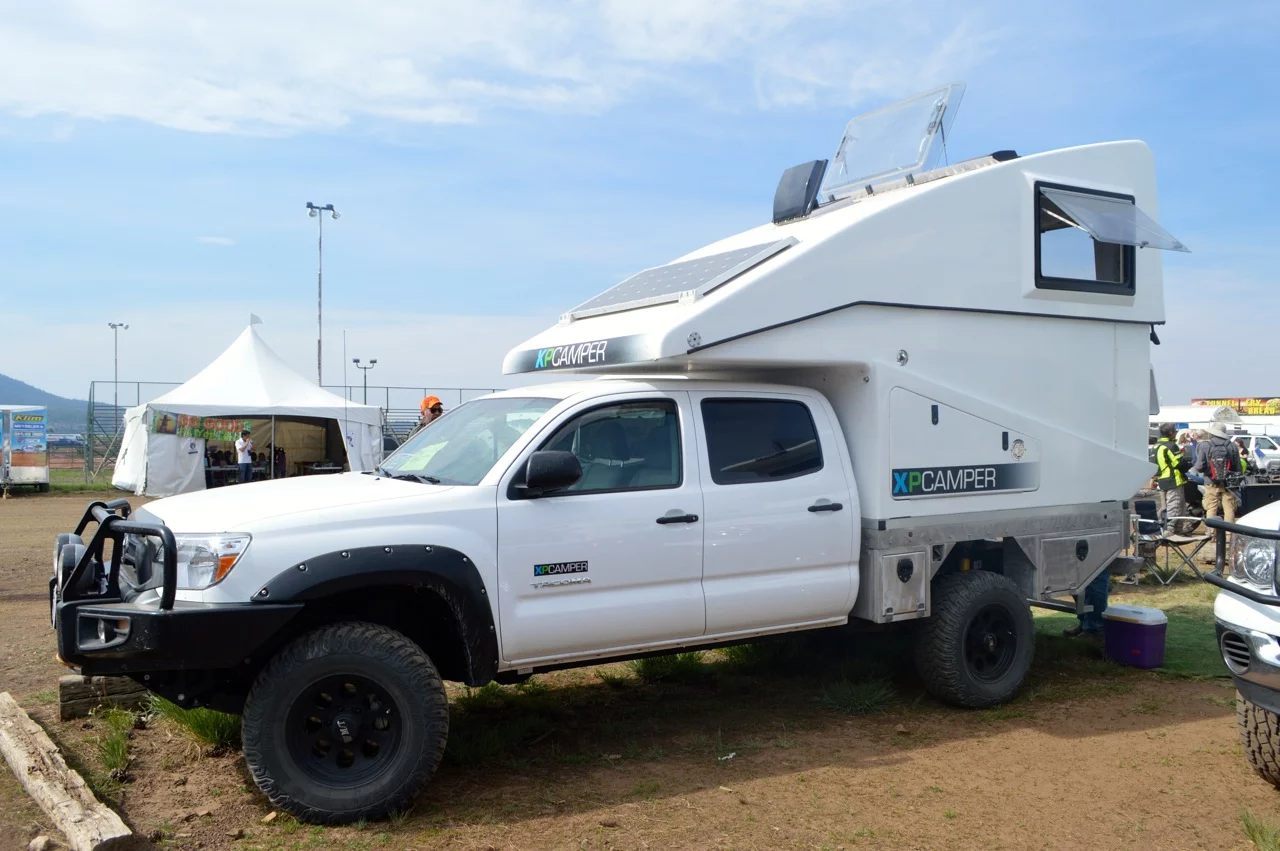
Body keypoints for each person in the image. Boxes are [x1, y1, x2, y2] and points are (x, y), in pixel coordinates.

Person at [1194, 422, 1240, 523]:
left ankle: (1212, 531)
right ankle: (1229, 531)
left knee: (1211, 508)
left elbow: (1199, 467)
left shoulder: (1204, 445)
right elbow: (1238, 467)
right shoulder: (1232, 445)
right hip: (1228, 483)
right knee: (1229, 508)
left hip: (1210, 481)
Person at [1153, 423, 1190, 533]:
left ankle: (1177, 529)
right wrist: (1189, 465)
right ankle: (1169, 529)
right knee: (1175, 505)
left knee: (1169, 505)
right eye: (1175, 431)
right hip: (1173, 479)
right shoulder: (1170, 446)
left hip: (1161, 478)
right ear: (1171, 433)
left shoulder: (1156, 446)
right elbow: (1178, 463)